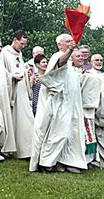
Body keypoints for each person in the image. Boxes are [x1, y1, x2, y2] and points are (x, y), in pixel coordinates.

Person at [30, 34, 87, 173]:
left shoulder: (71, 65)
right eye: (67, 41)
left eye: (71, 41)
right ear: (59, 44)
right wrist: (69, 51)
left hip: (71, 104)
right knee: (58, 134)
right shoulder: (58, 56)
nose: (70, 43)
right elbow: (60, 63)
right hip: (59, 104)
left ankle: (68, 161)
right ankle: (46, 162)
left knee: (72, 133)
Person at [1, 30, 34, 159]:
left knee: (27, 119)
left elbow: (19, 68)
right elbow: (2, 72)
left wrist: (26, 72)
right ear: (15, 40)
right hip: (11, 91)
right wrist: (12, 77)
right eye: (21, 43)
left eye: (25, 44)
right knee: (14, 120)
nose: (23, 47)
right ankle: (13, 149)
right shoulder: (4, 53)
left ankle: (27, 149)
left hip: (21, 90)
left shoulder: (19, 54)